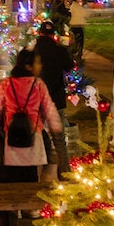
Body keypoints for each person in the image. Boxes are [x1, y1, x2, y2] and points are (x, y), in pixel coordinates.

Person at [0, 48, 65, 183]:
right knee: (30, 177)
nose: (40, 66)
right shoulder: (38, 85)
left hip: (11, 136)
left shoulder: (6, 84)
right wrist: (57, 129)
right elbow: (50, 111)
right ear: (28, 66)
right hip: (33, 137)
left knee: (11, 176)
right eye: (37, 63)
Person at [34, 21, 75, 173]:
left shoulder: (31, 51)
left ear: (39, 33)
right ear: (54, 35)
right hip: (55, 100)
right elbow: (69, 66)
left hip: (36, 100)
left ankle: (38, 167)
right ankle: (64, 171)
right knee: (59, 138)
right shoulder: (60, 51)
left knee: (36, 132)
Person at [67, 0, 89, 66]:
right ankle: (78, 57)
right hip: (78, 26)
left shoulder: (72, 6)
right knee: (79, 42)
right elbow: (86, 14)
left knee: (74, 42)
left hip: (73, 26)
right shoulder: (78, 7)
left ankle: (74, 57)